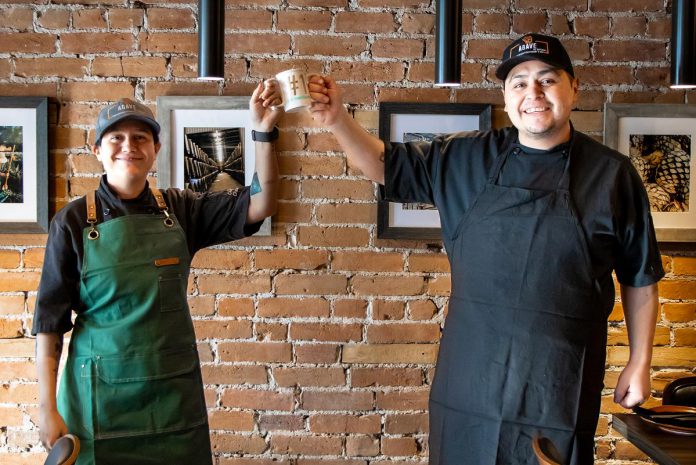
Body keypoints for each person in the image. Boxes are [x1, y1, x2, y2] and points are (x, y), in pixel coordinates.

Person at [308, 33, 664, 464]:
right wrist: (338, 120)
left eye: (547, 80)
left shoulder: (612, 175)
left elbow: (640, 277)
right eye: (519, 83)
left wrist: (639, 361)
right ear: (506, 95)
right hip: (469, 385)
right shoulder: (463, 159)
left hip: (557, 387)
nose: (533, 93)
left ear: (574, 88)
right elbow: (384, 166)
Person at [33, 82, 283, 465]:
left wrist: (263, 131)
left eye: (140, 137)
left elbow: (261, 202)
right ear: (98, 150)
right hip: (99, 404)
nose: (129, 146)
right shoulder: (73, 221)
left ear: (156, 150)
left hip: (171, 402)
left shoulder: (181, 210)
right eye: (116, 137)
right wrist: (47, 407)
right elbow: (50, 322)